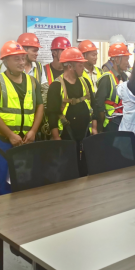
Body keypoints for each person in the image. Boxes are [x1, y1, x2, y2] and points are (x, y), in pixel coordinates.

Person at [0, 41, 44, 196]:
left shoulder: (33, 82)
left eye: (23, 58)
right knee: (3, 183)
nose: (21, 62)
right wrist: (10, 135)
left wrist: (33, 131)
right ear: (5, 61)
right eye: (16, 59)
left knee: (27, 182)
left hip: (27, 140)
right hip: (3, 141)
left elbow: (39, 107)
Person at [47, 47, 96, 176]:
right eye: (80, 65)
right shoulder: (56, 86)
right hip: (66, 135)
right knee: (68, 170)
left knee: (85, 168)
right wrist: (56, 137)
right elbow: (51, 114)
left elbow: (94, 105)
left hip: (85, 134)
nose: (83, 68)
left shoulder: (85, 82)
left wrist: (94, 128)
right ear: (70, 66)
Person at [95, 43, 131, 133]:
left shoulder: (125, 77)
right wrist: (101, 127)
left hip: (123, 121)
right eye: (126, 60)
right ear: (117, 60)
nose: (128, 63)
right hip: (111, 123)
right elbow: (99, 104)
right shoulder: (107, 78)